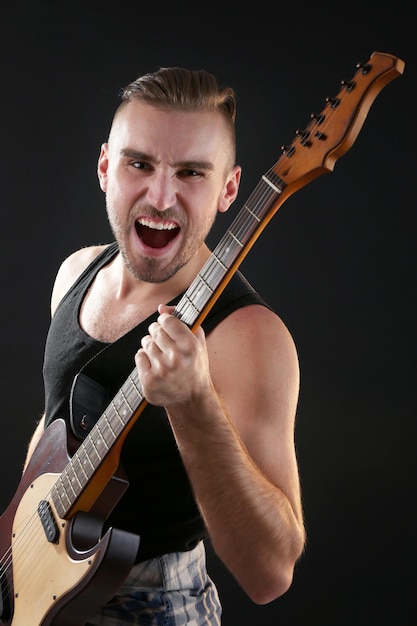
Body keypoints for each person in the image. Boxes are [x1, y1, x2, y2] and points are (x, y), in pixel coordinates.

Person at [23, 66, 306, 625]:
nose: (160, 196)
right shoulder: (75, 272)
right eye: (139, 164)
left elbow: (271, 573)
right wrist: (15, 546)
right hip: (33, 585)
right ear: (105, 166)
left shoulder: (251, 338)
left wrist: (193, 401)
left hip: (154, 605)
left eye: (191, 172)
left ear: (229, 189)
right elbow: (53, 432)